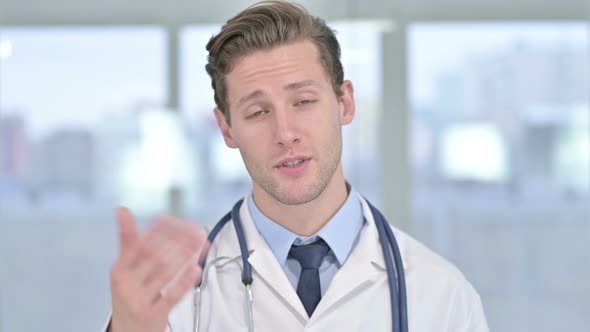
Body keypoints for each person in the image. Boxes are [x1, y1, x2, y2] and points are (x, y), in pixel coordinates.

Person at [104, 1, 489, 331]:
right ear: (226, 128)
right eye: (257, 112)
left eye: (303, 101)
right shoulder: (174, 296)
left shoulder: (442, 295)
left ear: (345, 103)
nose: (285, 133)